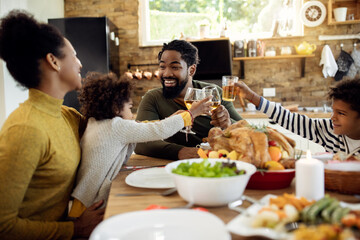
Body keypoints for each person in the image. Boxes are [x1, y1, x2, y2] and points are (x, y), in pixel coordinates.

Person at [0, 10, 103, 239]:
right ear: (53, 61)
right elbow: (3, 226)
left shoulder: (67, 116)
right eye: (74, 55)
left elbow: (111, 132)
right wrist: (73, 230)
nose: (79, 63)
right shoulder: (26, 129)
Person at [68, 72, 212, 217]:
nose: (131, 114)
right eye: (130, 108)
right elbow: (158, 130)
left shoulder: (97, 123)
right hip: (91, 204)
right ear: (116, 108)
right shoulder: (116, 127)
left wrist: (170, 119)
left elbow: (140, 126)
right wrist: (191, 113)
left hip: (81, 201)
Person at [135, 39, 243, 160]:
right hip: (172, 166)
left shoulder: (214, 93)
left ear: (191, 70)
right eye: (162, 67)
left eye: (175, 67)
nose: (166, 73)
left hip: (216, 162)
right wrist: (180, 151)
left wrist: (228, 125)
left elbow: (247, 131)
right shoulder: (153, 98)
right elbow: (139, 141)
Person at [235, 79, 360, 158]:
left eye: (341, 113)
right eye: (333, 111)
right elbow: (289, 118)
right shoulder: (329, 130)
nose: (333, 117)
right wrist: (250, 96)